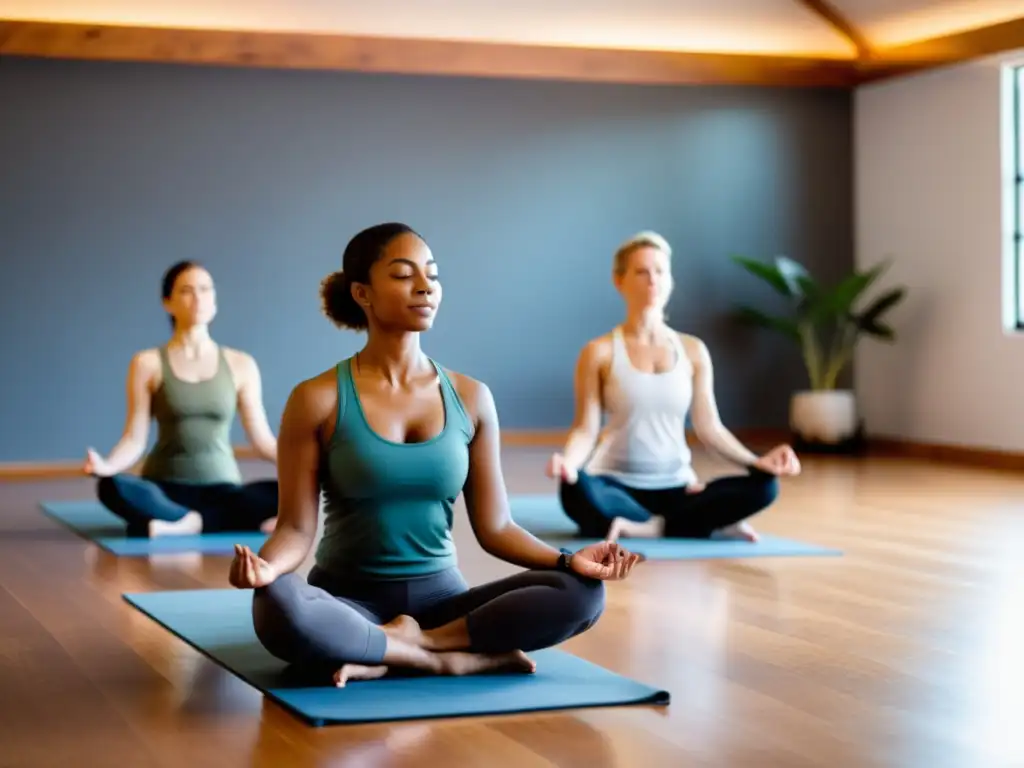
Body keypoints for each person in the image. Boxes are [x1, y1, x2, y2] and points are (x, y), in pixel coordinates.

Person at [228, 222, 644, 687]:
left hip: (444, 604)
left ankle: (404, 649)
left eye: (432, 274)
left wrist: (569, 562)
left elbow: (496, 528)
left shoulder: (471, 397)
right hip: (348, 603)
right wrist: (268, 568)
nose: (425, 286)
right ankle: (446, 660)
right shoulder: (317, 398)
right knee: (277, 603)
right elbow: (296, 527)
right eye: (404, 275)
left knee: (584, 595)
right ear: (362, 293)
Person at [546, 231, 802, 543]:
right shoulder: (598, 352)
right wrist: (569, 465)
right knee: (576, 491)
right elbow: (585, 429)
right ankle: (693, 526)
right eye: (641, 271)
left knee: (766, 485)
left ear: (670, 280)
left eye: (660, 271)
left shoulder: (694, 350)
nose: (652, 279)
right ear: (619, 280)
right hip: (615, 487)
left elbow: (710, 428)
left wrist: (755, 462)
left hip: (678, 488)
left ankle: (650, 527)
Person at [83, 260, 280, 538]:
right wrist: (107, 466)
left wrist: (306, 465)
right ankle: (210, 522)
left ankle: (188, 525)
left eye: (205, 289)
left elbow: (262, 441)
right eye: (187, 290)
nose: (198, 297)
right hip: (164, 490)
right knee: (110, 486)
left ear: (215, 300)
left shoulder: (241, 364)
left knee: (285, 495)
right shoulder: (146, 363)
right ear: (168, 302)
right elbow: (134, 438)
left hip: (223, 489)